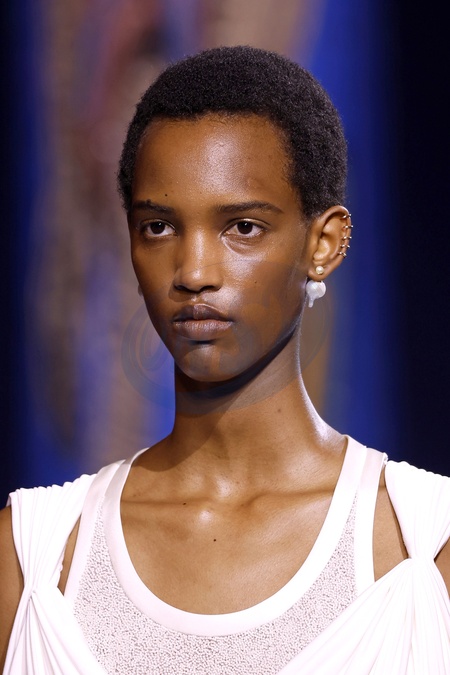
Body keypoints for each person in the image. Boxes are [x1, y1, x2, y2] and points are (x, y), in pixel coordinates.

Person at [1, 45, 450, 674]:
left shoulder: (424, 548)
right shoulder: (34, 561)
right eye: (159, 227)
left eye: (242, 227)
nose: (193, 272)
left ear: (324, 243)